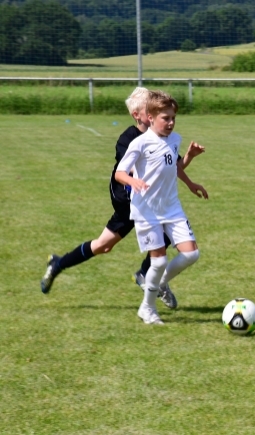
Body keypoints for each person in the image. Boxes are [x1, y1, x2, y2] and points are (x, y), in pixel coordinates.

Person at [40, 87, 204, 311]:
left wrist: (190, 176)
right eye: (149, 108)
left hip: (152, 203)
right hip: (128, 202)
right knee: (103, 246)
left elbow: (171, 166)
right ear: (139, 115)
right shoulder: (130, 139)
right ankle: (59, 264)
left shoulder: (164, 138)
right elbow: (132, 172)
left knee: (165, 236)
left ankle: (148, 275)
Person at [115, 90, 208, 325]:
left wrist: (190, 165)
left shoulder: (174, 139)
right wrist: (133, 181)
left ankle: (160, 283)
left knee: (191, 254)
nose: (171, 122)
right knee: (158, 262)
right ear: (151, 117)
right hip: (147, 210)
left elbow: (173, 166)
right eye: (166, 118)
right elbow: (119, 173)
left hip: (171, 207)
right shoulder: (140, 143)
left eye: (173, 118)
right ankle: (147, 308)